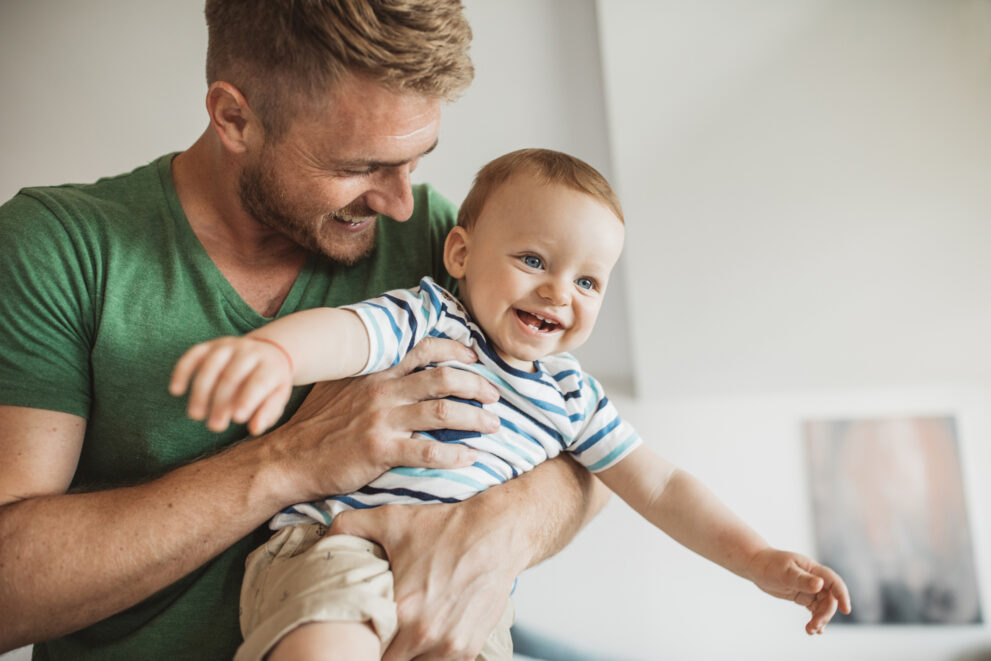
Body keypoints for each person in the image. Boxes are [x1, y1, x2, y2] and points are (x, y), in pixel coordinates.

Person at [0, 3, 610, 659]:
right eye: (358, 166)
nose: (399, 202)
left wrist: (501, 531)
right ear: (235, 117)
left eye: (413, 160)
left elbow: (585, 442)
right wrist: (289, 459)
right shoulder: (59, 248)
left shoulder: (435, 239)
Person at [172, 148, 853, 661]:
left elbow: (662, 484)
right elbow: (350, 335)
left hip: (474, 595)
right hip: (339, 548)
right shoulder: (431, 316)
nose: (559, 292)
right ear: (461, 253)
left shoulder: (570, 395)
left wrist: (758, 558)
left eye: (587, 280)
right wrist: (276, 355)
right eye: (533, 260)